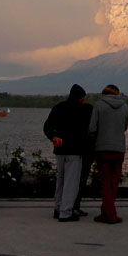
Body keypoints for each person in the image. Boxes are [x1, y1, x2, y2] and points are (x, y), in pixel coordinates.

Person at [43, 84, 89, 222]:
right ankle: (66, 212)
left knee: (61, 179)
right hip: (74, 151)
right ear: (80, 97)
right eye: (82, 98)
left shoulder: (58, 108)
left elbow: (47, 127)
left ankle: (58, 208)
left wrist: (53, 137)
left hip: (60, 149)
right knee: (71, 182)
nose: (83, 100)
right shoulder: (82, 110)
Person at [89, 84, 128, 224]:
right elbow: (124, 127)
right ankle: (105, 211)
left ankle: (110, 215)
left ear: (104, 93)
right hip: (119, 149)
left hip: (103, 149)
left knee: (105, 182)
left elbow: (92, 128)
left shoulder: (99, 106)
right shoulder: (124, 107)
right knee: (113, 182)